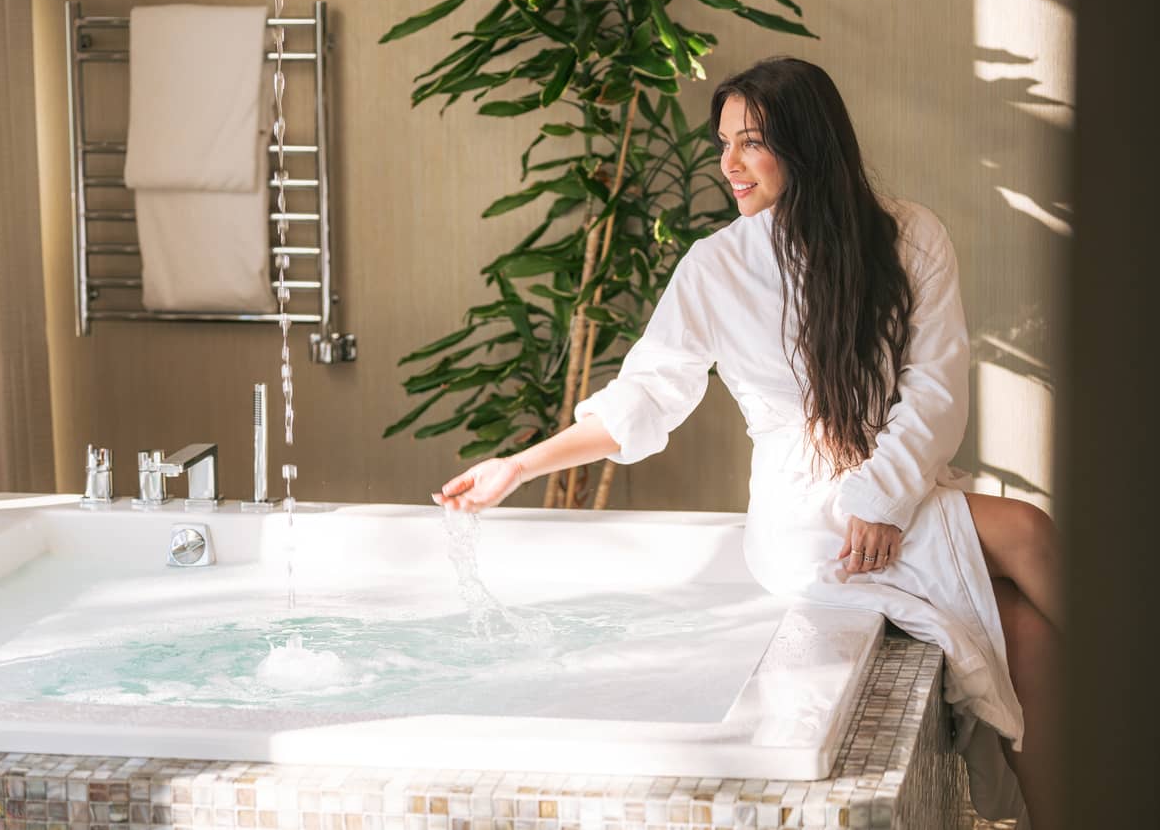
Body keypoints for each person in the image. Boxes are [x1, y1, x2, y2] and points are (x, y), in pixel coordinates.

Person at [433, 57, 1061, 829]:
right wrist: (520, 464)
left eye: (752, 141)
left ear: (807, 146)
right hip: (808, 520)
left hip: (891, 494)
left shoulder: (910, 235)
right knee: (1029, 529)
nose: (728, 163)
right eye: (723, 141)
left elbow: (936, 391)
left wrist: (882, 496)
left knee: (1026, 631)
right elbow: (642, 401)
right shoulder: (716, 268)